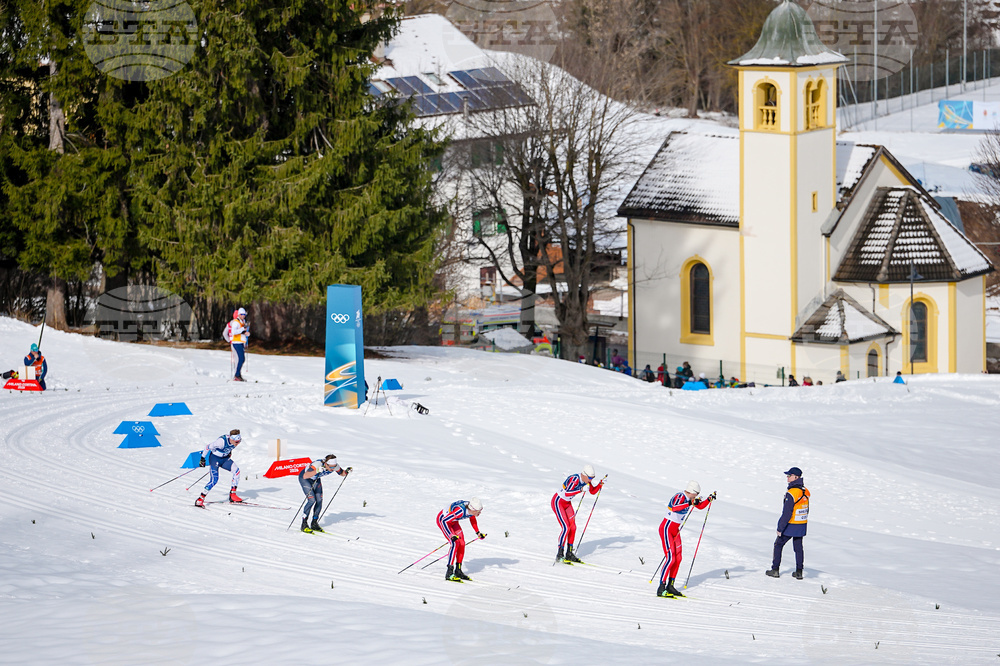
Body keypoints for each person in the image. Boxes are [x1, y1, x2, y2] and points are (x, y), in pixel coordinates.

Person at [657, 481, 714, 598]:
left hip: (675, 530)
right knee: (671, 558)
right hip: (667, 528)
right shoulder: (680, 496)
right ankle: (661, 587)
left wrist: (709, 499)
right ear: (692, 492)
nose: (696, 497)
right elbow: (675, 508)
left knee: (678, 558)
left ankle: (670, 586)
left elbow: (700, 506)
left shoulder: (690, 500)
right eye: (696, 494)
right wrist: (689, 503)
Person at [551, 464, 604, 564]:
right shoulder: (575, 479)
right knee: (566, 527)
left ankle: (569, 553)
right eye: (590, 478)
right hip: (558, 502)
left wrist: (600, 484)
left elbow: (592, 491)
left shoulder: (586, 480)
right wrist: (580, 490)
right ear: (584, 474)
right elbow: (566, 493)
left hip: (567, 503)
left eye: (592, 478)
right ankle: (560, 554)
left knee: (573, 527)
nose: (590, 480)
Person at [766, 467, 809, 579]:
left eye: (790, 475)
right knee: (798, 548)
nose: (787, 477)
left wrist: (780, 528)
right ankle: (799, 572)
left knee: (778, 544)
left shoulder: (792, 493)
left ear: (796, 477)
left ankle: (775, 569)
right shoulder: (805, 491)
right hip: (801, 524)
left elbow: (787, 513)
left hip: (791, 524)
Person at [298, 454, 351, 533]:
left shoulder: (334, 465)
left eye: (334, 467)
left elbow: (342, 473)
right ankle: (304, 524)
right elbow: (306, 475)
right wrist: (317, 470)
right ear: (326, 464)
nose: (332, 469)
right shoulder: (317, 464)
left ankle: (314, 523)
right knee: (312, 500)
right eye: (331, 467)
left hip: (316, 479)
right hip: (305, 479)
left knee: (319, 500)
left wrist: (347, 471)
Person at [436, 498, 485, 581]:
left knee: (462, 543)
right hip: (443, 521)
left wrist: (478, 532)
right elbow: (444, 521)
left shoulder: (471, 510)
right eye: (478, 511)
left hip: (453, 521)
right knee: (455, 543)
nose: (480, 513)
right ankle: (449, 573)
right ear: (473, 510)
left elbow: (472, 518)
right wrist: (451, 534)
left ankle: (458, 571)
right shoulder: (460, 511)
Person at [195, 429, 244, 506]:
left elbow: (229, 447)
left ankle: (232, 495)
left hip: (224, 459)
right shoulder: (221, 442)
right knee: (214, 480)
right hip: (215, 459)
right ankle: (200, 499)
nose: (238, 443)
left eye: (239, 441)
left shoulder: (234, 441)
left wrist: (229, 453)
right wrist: (202, 459)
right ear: (231, 439)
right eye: (237, 442)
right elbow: (207, 447)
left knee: (236, 471)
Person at [223, 308, 249, 381]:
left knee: (241, 359)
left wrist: (246, 333)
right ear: (238, 315)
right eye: (242, 314)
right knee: (240, 359)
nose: (243, 316)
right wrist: (229, 340)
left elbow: (241, 332)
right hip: (236, 343)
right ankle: (237, 375)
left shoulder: (242, 322)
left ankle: (238, 374)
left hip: (240, 342)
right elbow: (233, 332)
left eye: (244, 314)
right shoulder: (235, 322)